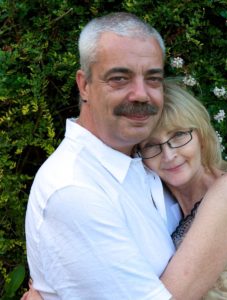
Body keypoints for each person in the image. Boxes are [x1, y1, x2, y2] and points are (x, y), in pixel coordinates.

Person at [25, 12, 181, 299]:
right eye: (119, 79)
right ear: (84, 85)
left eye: (153, 79)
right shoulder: (73, 190)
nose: (141, 94)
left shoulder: (155, 161)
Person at [136, 81, 227, 299]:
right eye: (151, 145)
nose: (169, 154)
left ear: (201, 135)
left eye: (178, 135)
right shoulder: (163, 202)